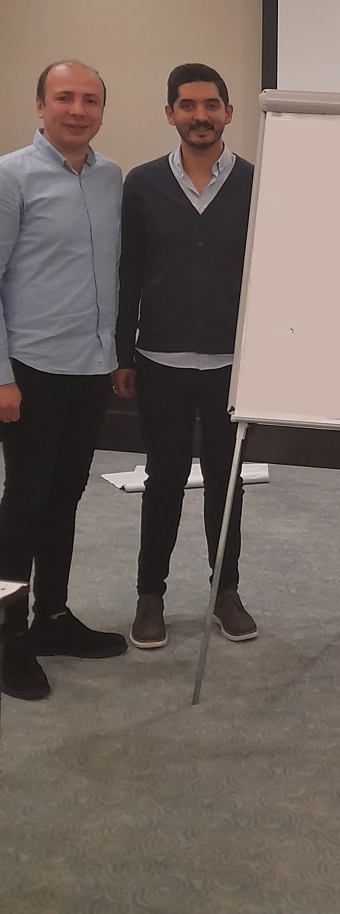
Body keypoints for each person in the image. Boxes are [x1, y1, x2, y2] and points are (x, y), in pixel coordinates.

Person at [113, 63, 256, 649]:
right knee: (164, 478)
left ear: (228, 113)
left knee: (227, 482)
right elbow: (129, 273)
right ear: (170, 112)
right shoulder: (142, 184)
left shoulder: (256, 183)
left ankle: (226, 592)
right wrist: (123, 353)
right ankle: (150, 595)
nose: (201, 116)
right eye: (188, 105)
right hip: (160, 359)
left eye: (211, 105)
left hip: (232, 365)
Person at [0, 61, 126, 702]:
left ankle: (52, 615)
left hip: (90, 369)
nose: (77, 109)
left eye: (90, 99)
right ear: (41, 104)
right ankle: (8, 636)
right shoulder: (10, 176)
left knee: (65, 498)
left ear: (102, 109)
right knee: (23, 503)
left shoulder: (110, 177)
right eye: (64, 97)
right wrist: (1, 377)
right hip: (30, 370)